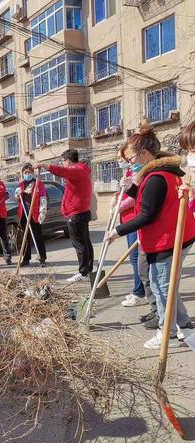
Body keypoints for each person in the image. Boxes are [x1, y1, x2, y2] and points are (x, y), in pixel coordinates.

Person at [106, 126, 195, 349]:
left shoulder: (157, 177)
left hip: (168, 237)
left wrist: (119, 231)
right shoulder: (159, 173)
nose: (129, 164)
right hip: (173, 233)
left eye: (131, 159)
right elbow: (149, 201)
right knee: (166, 285)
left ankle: (168, 334)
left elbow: (148, 213)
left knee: (162, 286)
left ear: (144, 154)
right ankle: (183, 325)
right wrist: (132, 189)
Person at [34, 149, 93, 282]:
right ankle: (87, 270)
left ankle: (83, 272)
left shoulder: (77, 171)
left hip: (76, 213)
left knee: (80, 245)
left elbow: (62, 171)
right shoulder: (82, 171)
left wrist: (44, 165)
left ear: (68, 161)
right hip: (81, 211)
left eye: (63, 161)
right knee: (85, 243)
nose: (63, 164)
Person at [112, 152, 146, 307]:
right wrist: (117, 197)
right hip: (127, 220)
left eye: (122, 158)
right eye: (118, 159)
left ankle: (139, 292)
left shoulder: (138, 172)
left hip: (134, 219)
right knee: (135, 258)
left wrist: (120, 206)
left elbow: (136, 197)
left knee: (137, 258)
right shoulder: (128, 172)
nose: (120, 161)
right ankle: (140, 290)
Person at [14, 162, 47, 267]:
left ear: (33, 173)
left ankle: (42, 258)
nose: (27, 174)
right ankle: (26, 258)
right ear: (23, 174)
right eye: (25, 172)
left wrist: (42, 212)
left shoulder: (38, 183)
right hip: (24, 214)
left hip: (34, 214)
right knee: (25, 237)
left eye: (29, 172)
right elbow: (17, 199)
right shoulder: (21, 185)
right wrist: (17, 194)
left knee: (37, 236)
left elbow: (43, 198)